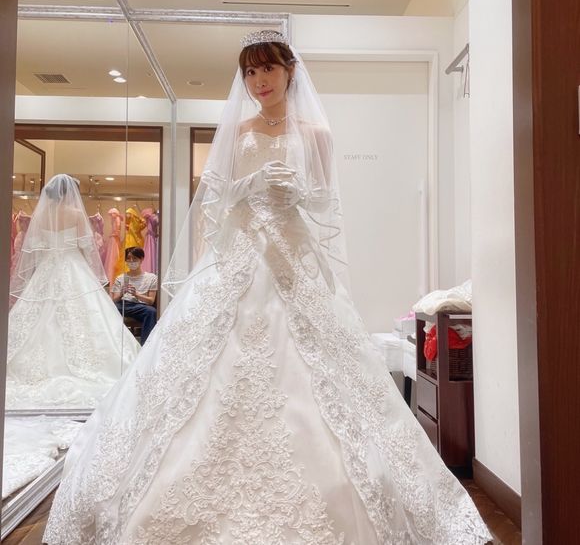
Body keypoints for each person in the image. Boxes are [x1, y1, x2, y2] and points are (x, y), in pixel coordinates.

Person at [43, 32, 491, 544]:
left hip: (294, 258)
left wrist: (298, 193)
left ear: (289, 71)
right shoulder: (238, 132)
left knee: (319, 366)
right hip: (240, 257)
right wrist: (249, 186)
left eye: (268, 69)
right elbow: (216, 203)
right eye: (250, 72)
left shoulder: (316, 133)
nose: (259, 81)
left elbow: (326, 203)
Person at [6, 174, 139, 409]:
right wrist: (91, 273)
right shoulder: (76, 214)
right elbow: (86, 247)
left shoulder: (42, 215)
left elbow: (36, 248)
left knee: (40, 315)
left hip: (47, 268)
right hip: (73, 265)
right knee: (85, 314)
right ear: (70, 193)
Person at [111, 246, 158, 344]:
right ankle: (114, 343)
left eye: (135, 258)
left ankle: (147, 345)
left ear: (141, 259)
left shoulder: (151, 278)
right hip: (123, 304)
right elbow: (114, 300)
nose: (131, 261)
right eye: (128, 259)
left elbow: (151, 301)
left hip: (141, 306)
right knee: (109, 308)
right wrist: (121, 294)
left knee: (151, 311)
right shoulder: (120, 278)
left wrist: (136, 294)